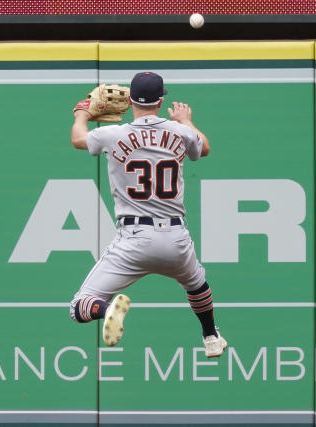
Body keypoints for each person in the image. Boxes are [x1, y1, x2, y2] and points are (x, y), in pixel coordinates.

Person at [69, 71, 227, 357]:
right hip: (176, 238)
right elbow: (204, 148)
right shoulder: (180, 133)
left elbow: (78, 140)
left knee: (80, 306)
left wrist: (82, 113)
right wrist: (186, 120)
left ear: (129, 101)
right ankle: (211, 336)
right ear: (161, 99)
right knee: (197, 284)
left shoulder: (114, 134)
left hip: (134, 238)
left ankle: (107, 311)